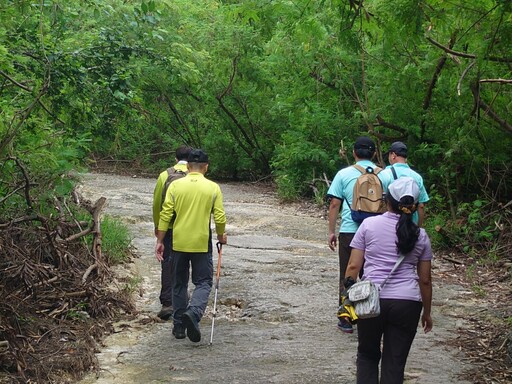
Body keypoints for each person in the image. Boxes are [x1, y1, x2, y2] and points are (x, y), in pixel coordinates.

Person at [344, 177, 433, 384]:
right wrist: (427, 312)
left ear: (387, 201)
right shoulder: (421, 235)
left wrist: (346, 303)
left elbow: (353, 267)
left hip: (371, 300)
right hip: (408, 303)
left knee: (367, 355)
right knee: (395, 362)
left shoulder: (369, 225)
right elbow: (425, 279)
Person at [155, 149, 227, 343]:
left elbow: (165, 214)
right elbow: (219, 216)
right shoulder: (213, 188)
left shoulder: (176, 186)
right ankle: (194, 313)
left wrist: (160, 240)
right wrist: (221, 235)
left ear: (187, 167)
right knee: (203, 282)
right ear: (206, 167)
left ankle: (179, 326)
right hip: (201, 243)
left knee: (178, 283)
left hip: (178, 242)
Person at [327, 136, 389, 334]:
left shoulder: (344, 174)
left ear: (354, 152)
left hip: (350, 230)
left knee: (348, 272)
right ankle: (373, 313)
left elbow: (334, 204)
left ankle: (346, 317)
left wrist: (331, 231)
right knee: (375, 272)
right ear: (373, 154)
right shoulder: (385, 175)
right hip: (378, 231)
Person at [152, 145, 192, 320]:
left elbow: (156, 204)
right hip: (189, 228)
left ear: (175, 159)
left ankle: (167, 303)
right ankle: (183, 300)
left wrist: (158, 226)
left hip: (168, 227)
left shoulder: (165, 175)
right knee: (186, 263)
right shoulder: (195, 176)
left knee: (167, 263)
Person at [381, 141, 429, 227]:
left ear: (393, 155)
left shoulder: (385, 174)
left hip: (390, 226)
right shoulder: (417, 177)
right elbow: (421, 206)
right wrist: (418, 228)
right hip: (411, 226)